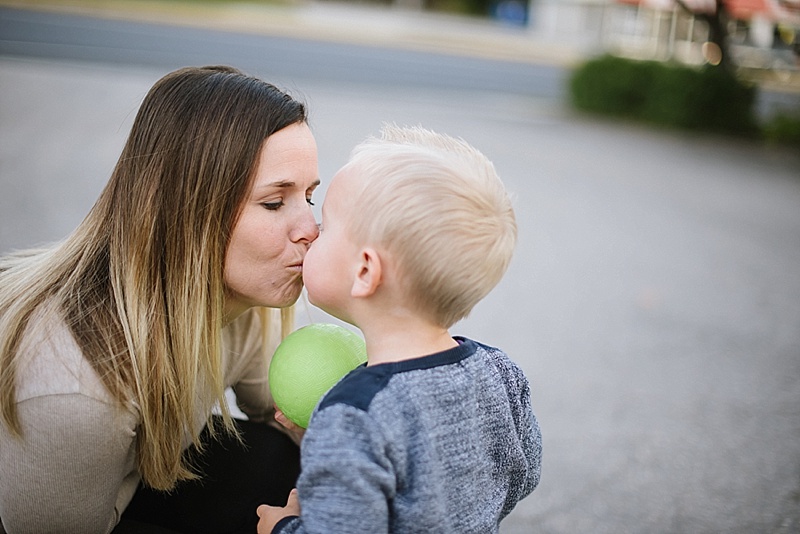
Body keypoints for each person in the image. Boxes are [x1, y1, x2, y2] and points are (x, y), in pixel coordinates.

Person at [0, 65, 321, 534]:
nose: (310, 230)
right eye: (274, 203)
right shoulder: (74, 388)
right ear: (188, 210)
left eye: (309, 197)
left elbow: (286, 420)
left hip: (125, 486)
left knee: (282, 464)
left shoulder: (248, 296)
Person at [257, 125, 542, 533]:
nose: (312, 232)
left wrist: (282, 527)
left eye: (327, 225)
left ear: (365, 271)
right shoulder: (501, 372)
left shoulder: (353, 418)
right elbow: (522, 474)